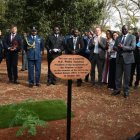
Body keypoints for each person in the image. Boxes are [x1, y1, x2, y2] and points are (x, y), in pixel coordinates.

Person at [112, 25, 136, 98]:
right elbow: (114, 47)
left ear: (128, 30)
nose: (124, 30)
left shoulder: (132, 37)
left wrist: (123, 47)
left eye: (125, 29)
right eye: (123, 29)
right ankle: (117, 89)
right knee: (118, 76)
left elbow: (133, 47)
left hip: (128, 60)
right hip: (119, 59)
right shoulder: (118, 37)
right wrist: (118, 48)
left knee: (127, 77)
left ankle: (126, 91)